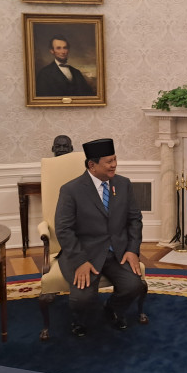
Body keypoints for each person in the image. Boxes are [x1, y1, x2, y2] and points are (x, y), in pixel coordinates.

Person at [54, 138, 145, 337]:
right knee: (82, 299)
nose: (114, 165)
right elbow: (64, 229)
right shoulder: (71, 190)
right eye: (109, 161)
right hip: (84, 253)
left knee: (134, 285)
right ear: (92, 165)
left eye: (115, 159)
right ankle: (79, 320)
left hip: (117, 252)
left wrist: (132, 250)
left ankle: (112, 308)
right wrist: (79, 261)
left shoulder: (123, 184)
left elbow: (135, 219)